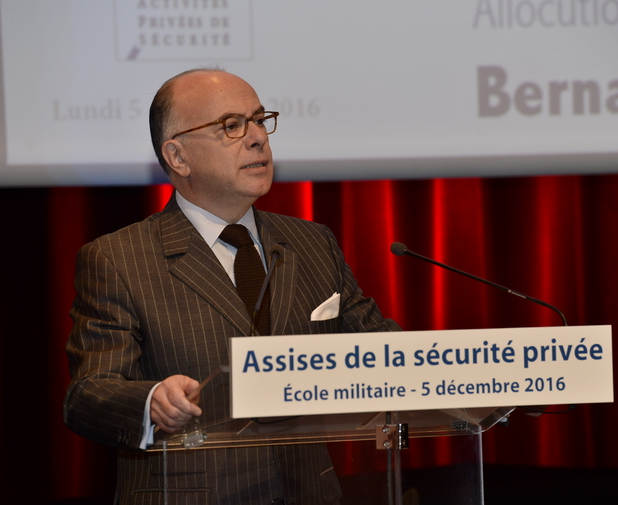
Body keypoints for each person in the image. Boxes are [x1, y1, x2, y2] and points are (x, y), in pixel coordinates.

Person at [64, 69, 401, 505]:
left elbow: (382, 352)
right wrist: (150, 400)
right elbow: (88, 393)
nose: (258, 137)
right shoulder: (118, 259)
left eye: (260, 120)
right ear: (178, 157)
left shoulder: (312, 243)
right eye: (231, 126)